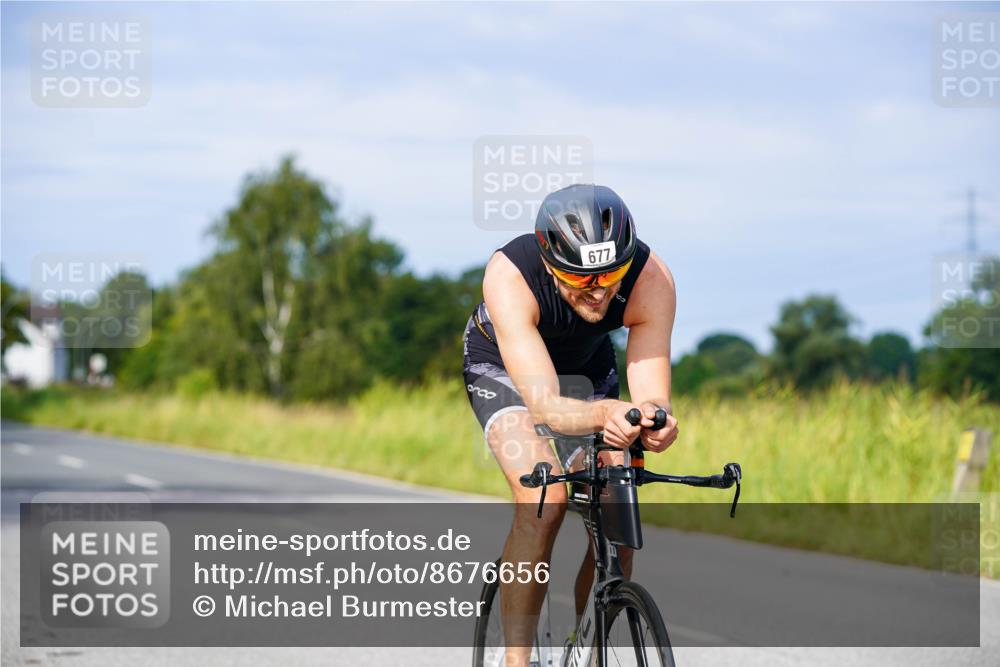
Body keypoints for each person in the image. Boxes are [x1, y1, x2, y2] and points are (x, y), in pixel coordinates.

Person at [462, 184, 679, 666]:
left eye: (611, 275)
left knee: (618, 508)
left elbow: (651, 396)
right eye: (581, 279)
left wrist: (655, 421)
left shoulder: (653, 278)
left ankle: (588, 650)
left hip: (586, 369)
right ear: (551, 262)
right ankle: (517, 659)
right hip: (505, 372)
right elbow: (544, 407)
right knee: (543, 499)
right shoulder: (510, 275)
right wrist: (606, 413)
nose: (599, 290)